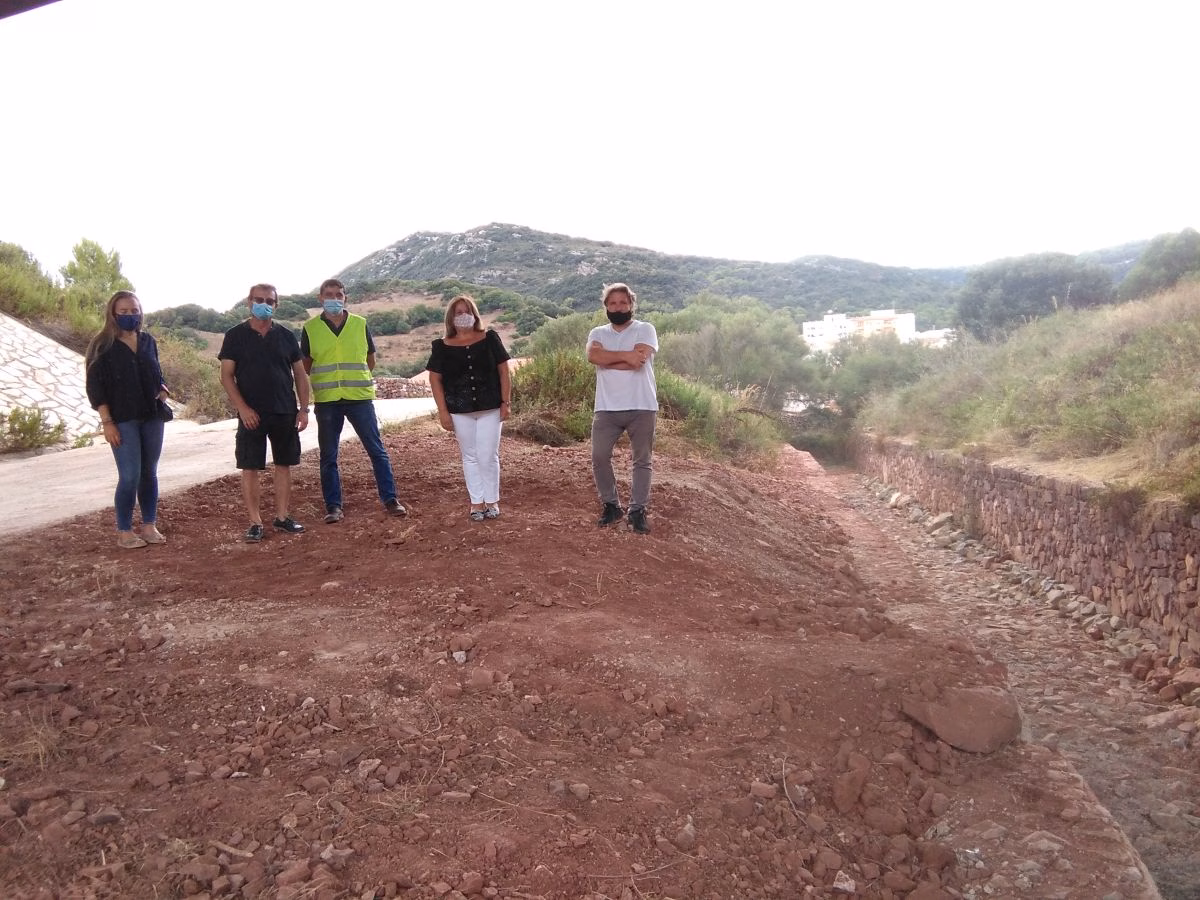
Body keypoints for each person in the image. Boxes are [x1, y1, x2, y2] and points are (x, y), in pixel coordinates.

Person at [301, 278, 406, 524]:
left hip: (359, 398)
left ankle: (390, 500)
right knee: (329, 455)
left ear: (345, 297)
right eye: (329, 294)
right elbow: (306, 364)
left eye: (339, 294)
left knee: (376, 450)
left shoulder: (360, 324)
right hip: (327, 401)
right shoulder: (310, 328)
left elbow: (370, 359)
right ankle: (333, 506)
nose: (334, 299)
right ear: (320, 298)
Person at [218, 284, 310, 542]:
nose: (264, 304)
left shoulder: (287, 336)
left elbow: (300, 375)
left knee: (284, 465)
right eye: (259, 299)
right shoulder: (235, 336)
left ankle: (282, 517)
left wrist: (303, 409)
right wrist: (243, 408)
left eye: (269, 301)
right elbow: (226, 376)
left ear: (276, 305)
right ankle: (255, 522)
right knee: (250, 467)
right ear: (249, 302)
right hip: (251, 415)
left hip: (284, 411)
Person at [85, 290, 171, 549]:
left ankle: (148, 524)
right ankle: (124, 530)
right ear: (113, 314)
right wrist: (107, 422)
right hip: (122, 419)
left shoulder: (148, 341)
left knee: (149, 473)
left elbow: (156, 370)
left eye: (134, 311)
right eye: (124, 312)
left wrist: (164, 387)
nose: (130, 316)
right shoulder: (102, 345)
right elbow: (95, 386)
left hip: (152, 416)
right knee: (130, 475)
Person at [427, 295, 512, 521]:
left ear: (474, 314)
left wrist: (505, 402)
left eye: (467, 311)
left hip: (490, 407)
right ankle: (476, 503)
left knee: (488, 455)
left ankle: (492, 501)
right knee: (470, 456)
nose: (463, 316)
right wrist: (443, 412)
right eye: (458, 313)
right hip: (459, 409)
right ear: (451, 318)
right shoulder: (441, 346)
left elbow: (504, 371)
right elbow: (435, 379)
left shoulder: (490, 338)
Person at [586, 282, 658, 534]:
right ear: (605, 306)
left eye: (623, 303)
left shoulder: (645, 329)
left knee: (642, 460)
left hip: (642, 405)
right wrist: (625, 355)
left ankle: (637, 510)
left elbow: (638, 362)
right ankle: (611, 505)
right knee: (599, 456)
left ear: (631, 305)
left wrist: (610, 358)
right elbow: (594, 357)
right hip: (606, 408)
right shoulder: (597, 332)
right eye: (613, 303)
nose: (618, 307)